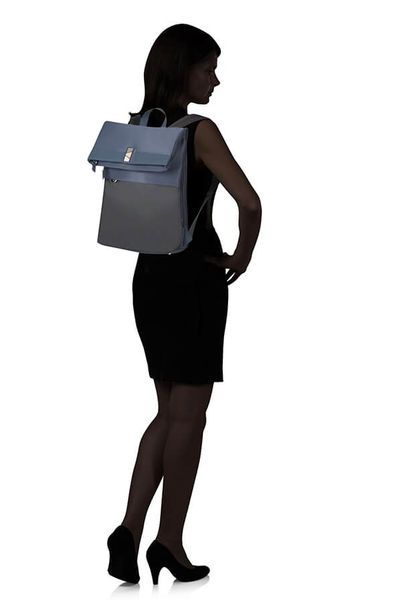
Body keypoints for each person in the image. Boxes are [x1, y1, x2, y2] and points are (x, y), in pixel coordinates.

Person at [106, 23, 262, 584]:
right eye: (207, 69)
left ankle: (129, 530)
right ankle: (168, 540)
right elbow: (251, 203)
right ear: (182, 70)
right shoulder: (200, 131)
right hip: (194, 279)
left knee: (168, 411)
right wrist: (242, 256)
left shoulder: (138, 128)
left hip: (149, 279)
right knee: (189, 417)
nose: (215, 81)